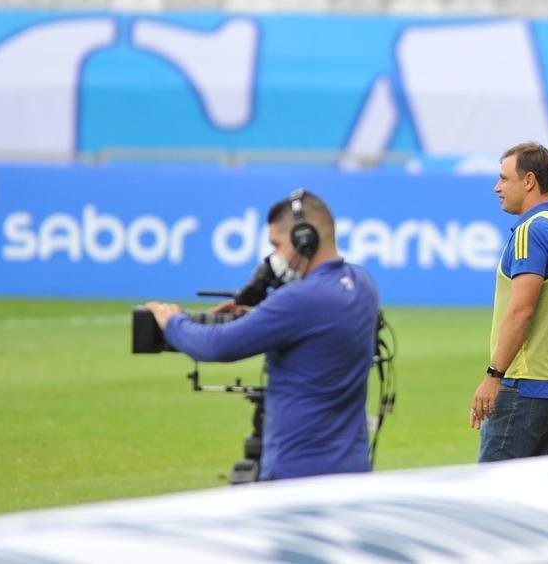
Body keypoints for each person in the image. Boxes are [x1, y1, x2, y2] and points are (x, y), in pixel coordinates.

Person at [145, 189, 379, 479]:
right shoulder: (361, 283)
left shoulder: (299, 300)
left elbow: (217, 346)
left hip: (297, 477)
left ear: (304, 240)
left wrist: (173, 322)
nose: (273, 258)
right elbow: (314, 329)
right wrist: (256, 316)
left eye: (276, 245)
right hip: (352, 471)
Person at [470, 142, 548, 461]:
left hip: (525, 385)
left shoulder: (530, 231)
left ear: (529, 180)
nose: (497, 187)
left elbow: (521, 311)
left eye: (504, 178)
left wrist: (494, 376)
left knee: (494, 496)